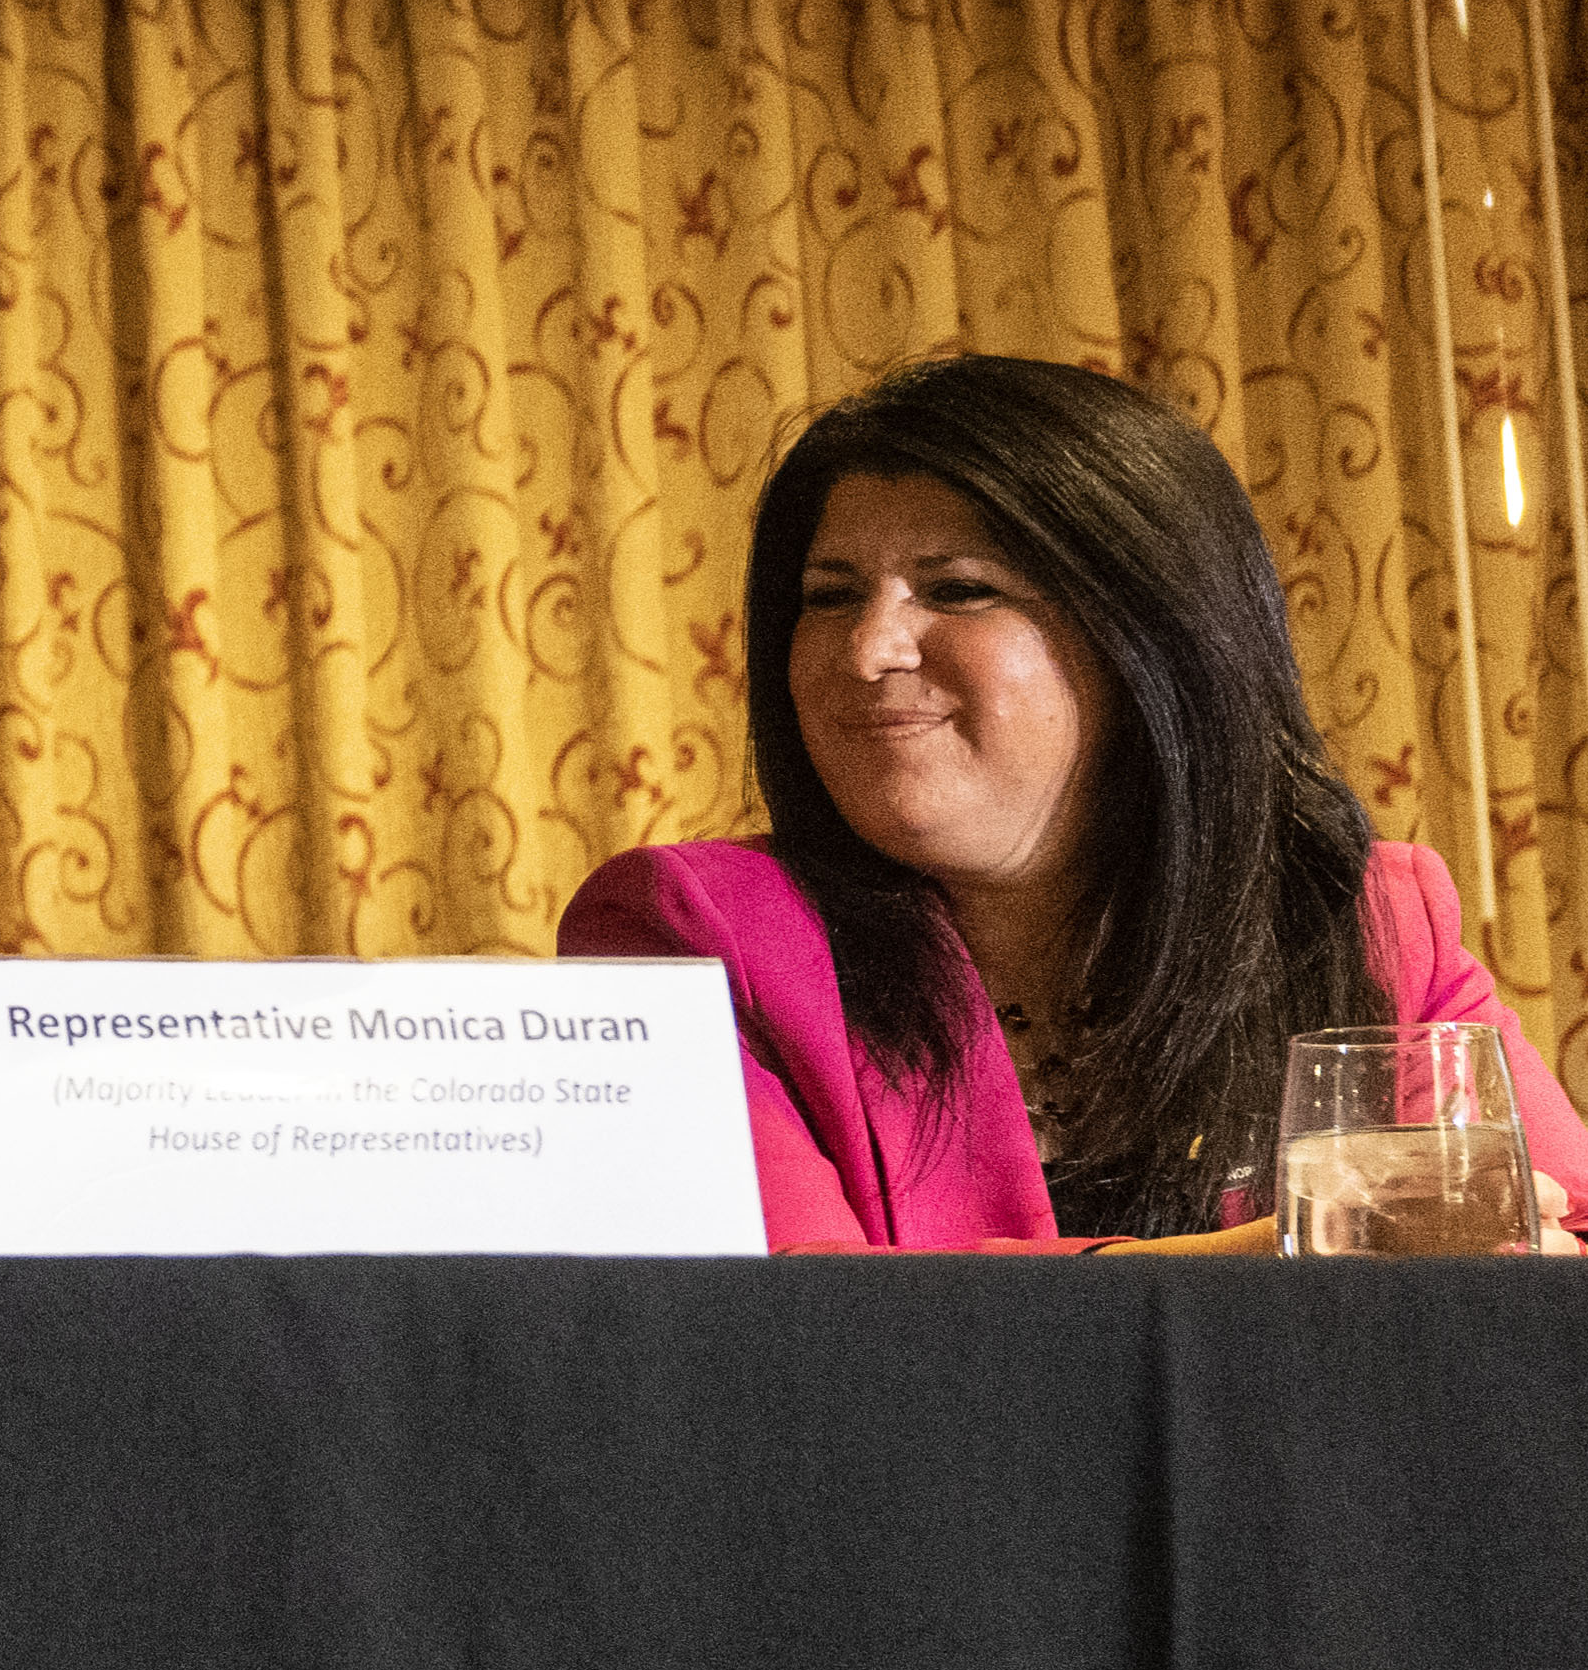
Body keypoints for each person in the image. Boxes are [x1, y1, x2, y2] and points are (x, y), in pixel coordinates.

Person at [559, 351, 1585, 1251]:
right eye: (827, 596)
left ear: (1148, 641)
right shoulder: (690, 936)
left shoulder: (1357, 916)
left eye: (956, 589)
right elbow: (810, 1326)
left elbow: (1548, 1230)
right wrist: (1292, 1261)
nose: (867, 649)